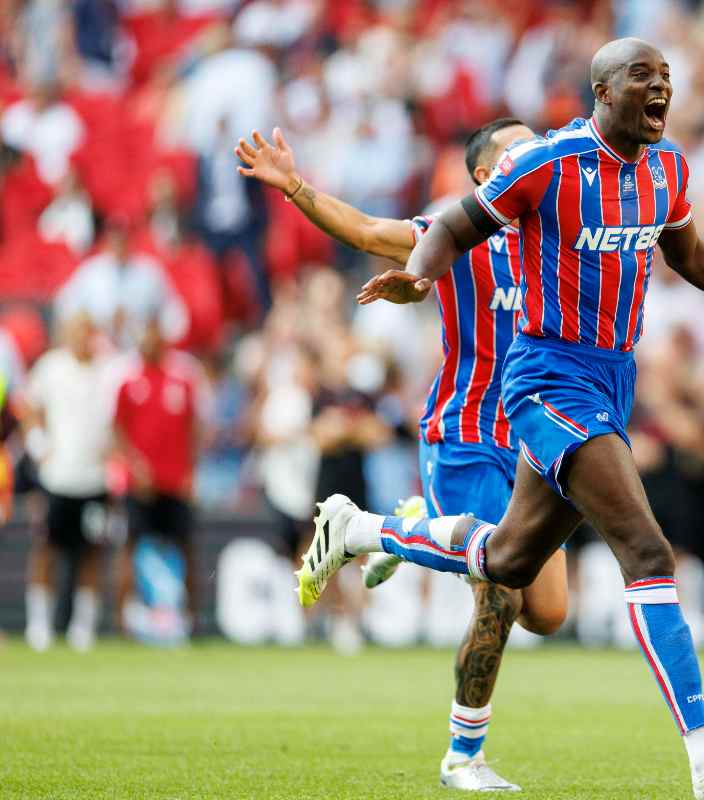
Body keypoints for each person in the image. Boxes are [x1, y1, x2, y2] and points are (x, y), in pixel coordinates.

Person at [269, 38, 704, 797]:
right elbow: (436, 229)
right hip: (538, 386)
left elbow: (689, 255)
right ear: (603, 90)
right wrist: (416, 279)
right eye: (643, 75)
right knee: (645, 550)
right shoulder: (546, 168)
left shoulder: (665, 169)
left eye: (667, 77)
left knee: (517, 575)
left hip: (609, 380)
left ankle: (365, 531)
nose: (661, 87)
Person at [236, 116, 569, 790]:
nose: (537, 150)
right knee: (500, 593)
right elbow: (366, 231)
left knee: (550, 612)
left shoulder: (561, 235)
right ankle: (463, 757)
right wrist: (295, 187)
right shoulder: (459, 231)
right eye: (519, 147)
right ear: (486, 175)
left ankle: (403, 528)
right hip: (468, 435)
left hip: (536, 442)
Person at [22, 312, 118, 652]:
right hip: (57, 478)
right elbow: (29, 407)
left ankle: (83, 626)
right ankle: (39, 624)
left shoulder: (108, 371)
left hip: (94, 479)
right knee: (46, 549)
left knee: (92, 551)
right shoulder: (51, 368)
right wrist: (39, 446)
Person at [112, 314, 208, 634]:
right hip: (139, 483)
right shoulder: (129, 382)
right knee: (130, 546)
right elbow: (117, 430)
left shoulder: (182, 380)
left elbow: (195, 429)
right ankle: (123, 621)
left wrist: (191, 471)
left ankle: (192, 619)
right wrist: (133, 466)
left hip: (176, 481)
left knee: (185, 546)